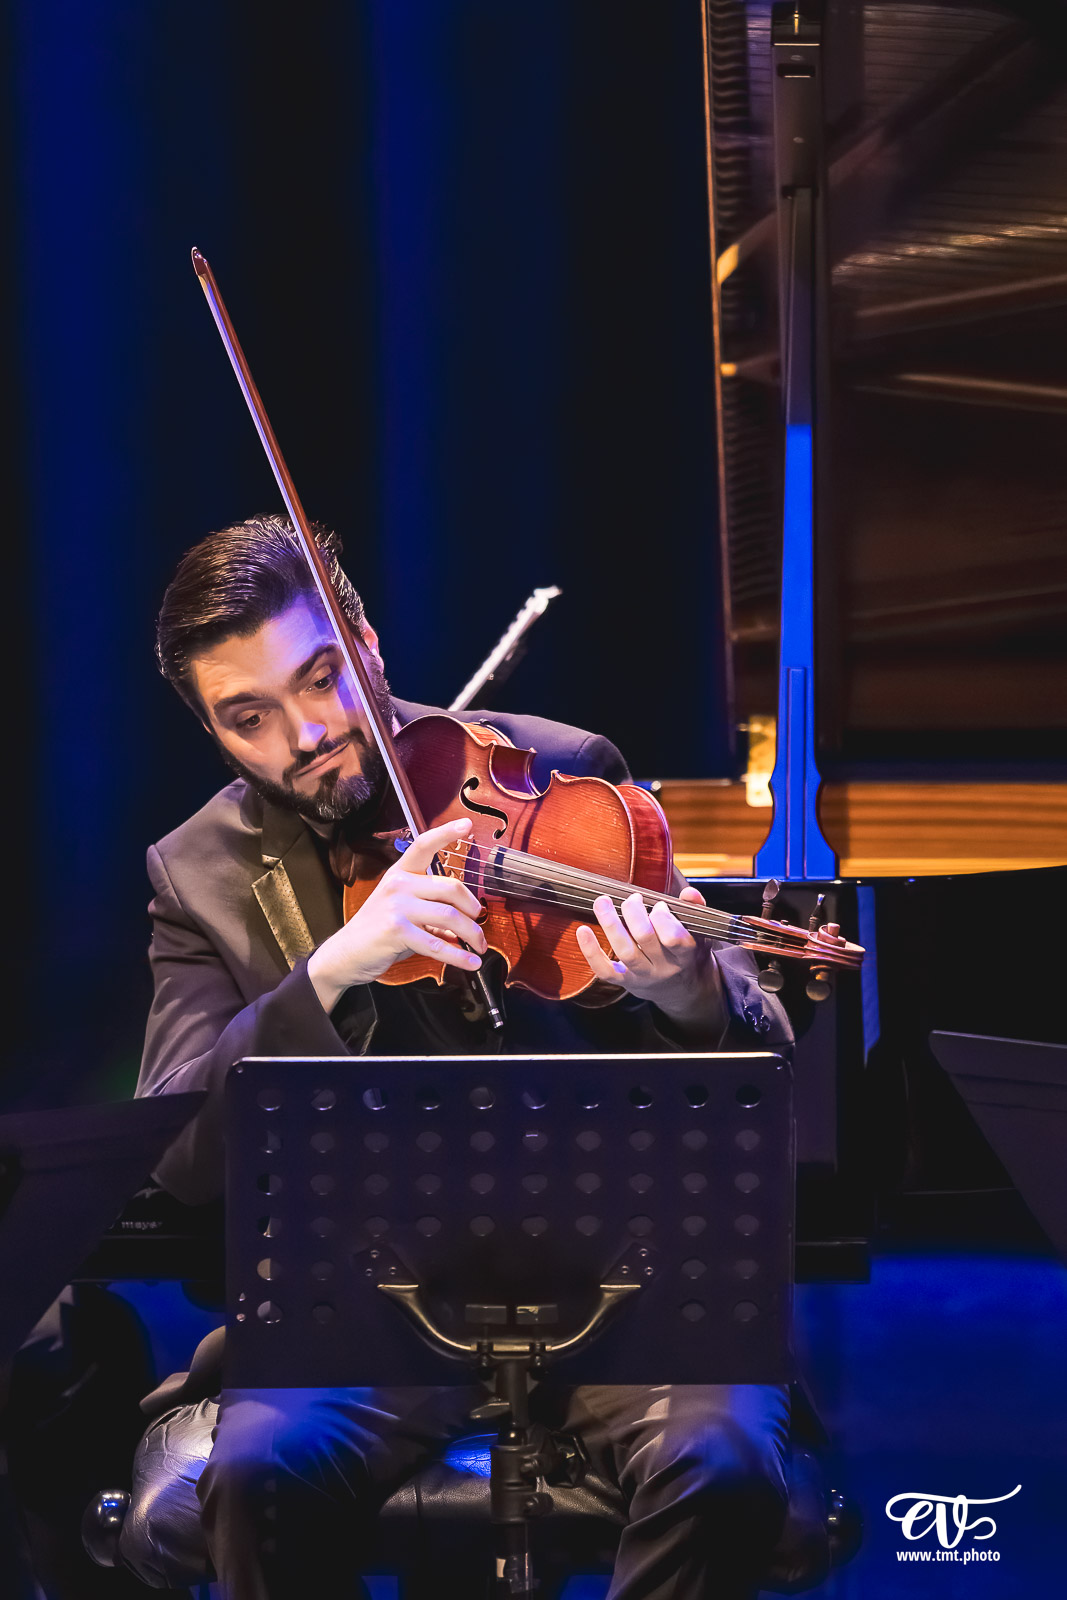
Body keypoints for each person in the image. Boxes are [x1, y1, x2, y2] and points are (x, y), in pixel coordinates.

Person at [129, 512, 800, 1600]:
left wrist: (684, 990)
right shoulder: (196, 873)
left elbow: (760, 1062)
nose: (303, 733)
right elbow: (182, 1151)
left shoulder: (559, 773)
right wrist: (334, 970)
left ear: (369, 645)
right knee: (257, 1471)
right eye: (248, 717)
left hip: (615, 1291)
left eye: (322, 679)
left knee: (717, 1465)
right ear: (212, 731)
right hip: (358, 1311)